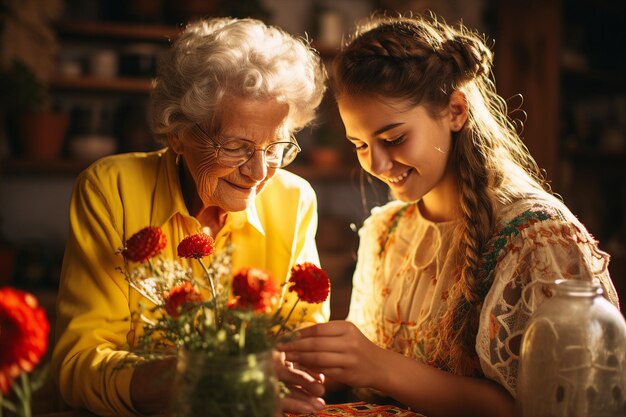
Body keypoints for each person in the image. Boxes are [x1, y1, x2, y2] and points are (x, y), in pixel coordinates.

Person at [279, 14, 620, 417]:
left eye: (394, 139)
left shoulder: (538, 240)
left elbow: (534, 406)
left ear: (456, 110)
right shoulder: (387, 231)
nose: (378, 163)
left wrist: (380, 365)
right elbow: (369, 371)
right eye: (360, 145)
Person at [51, 17, 330, 417]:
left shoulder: (295, 199)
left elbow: (304, 343)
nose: (258, 171)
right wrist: (205, 379)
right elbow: (79, 366)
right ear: (178, 133)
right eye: (236, 146)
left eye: (276, 147)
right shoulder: (111, 189)